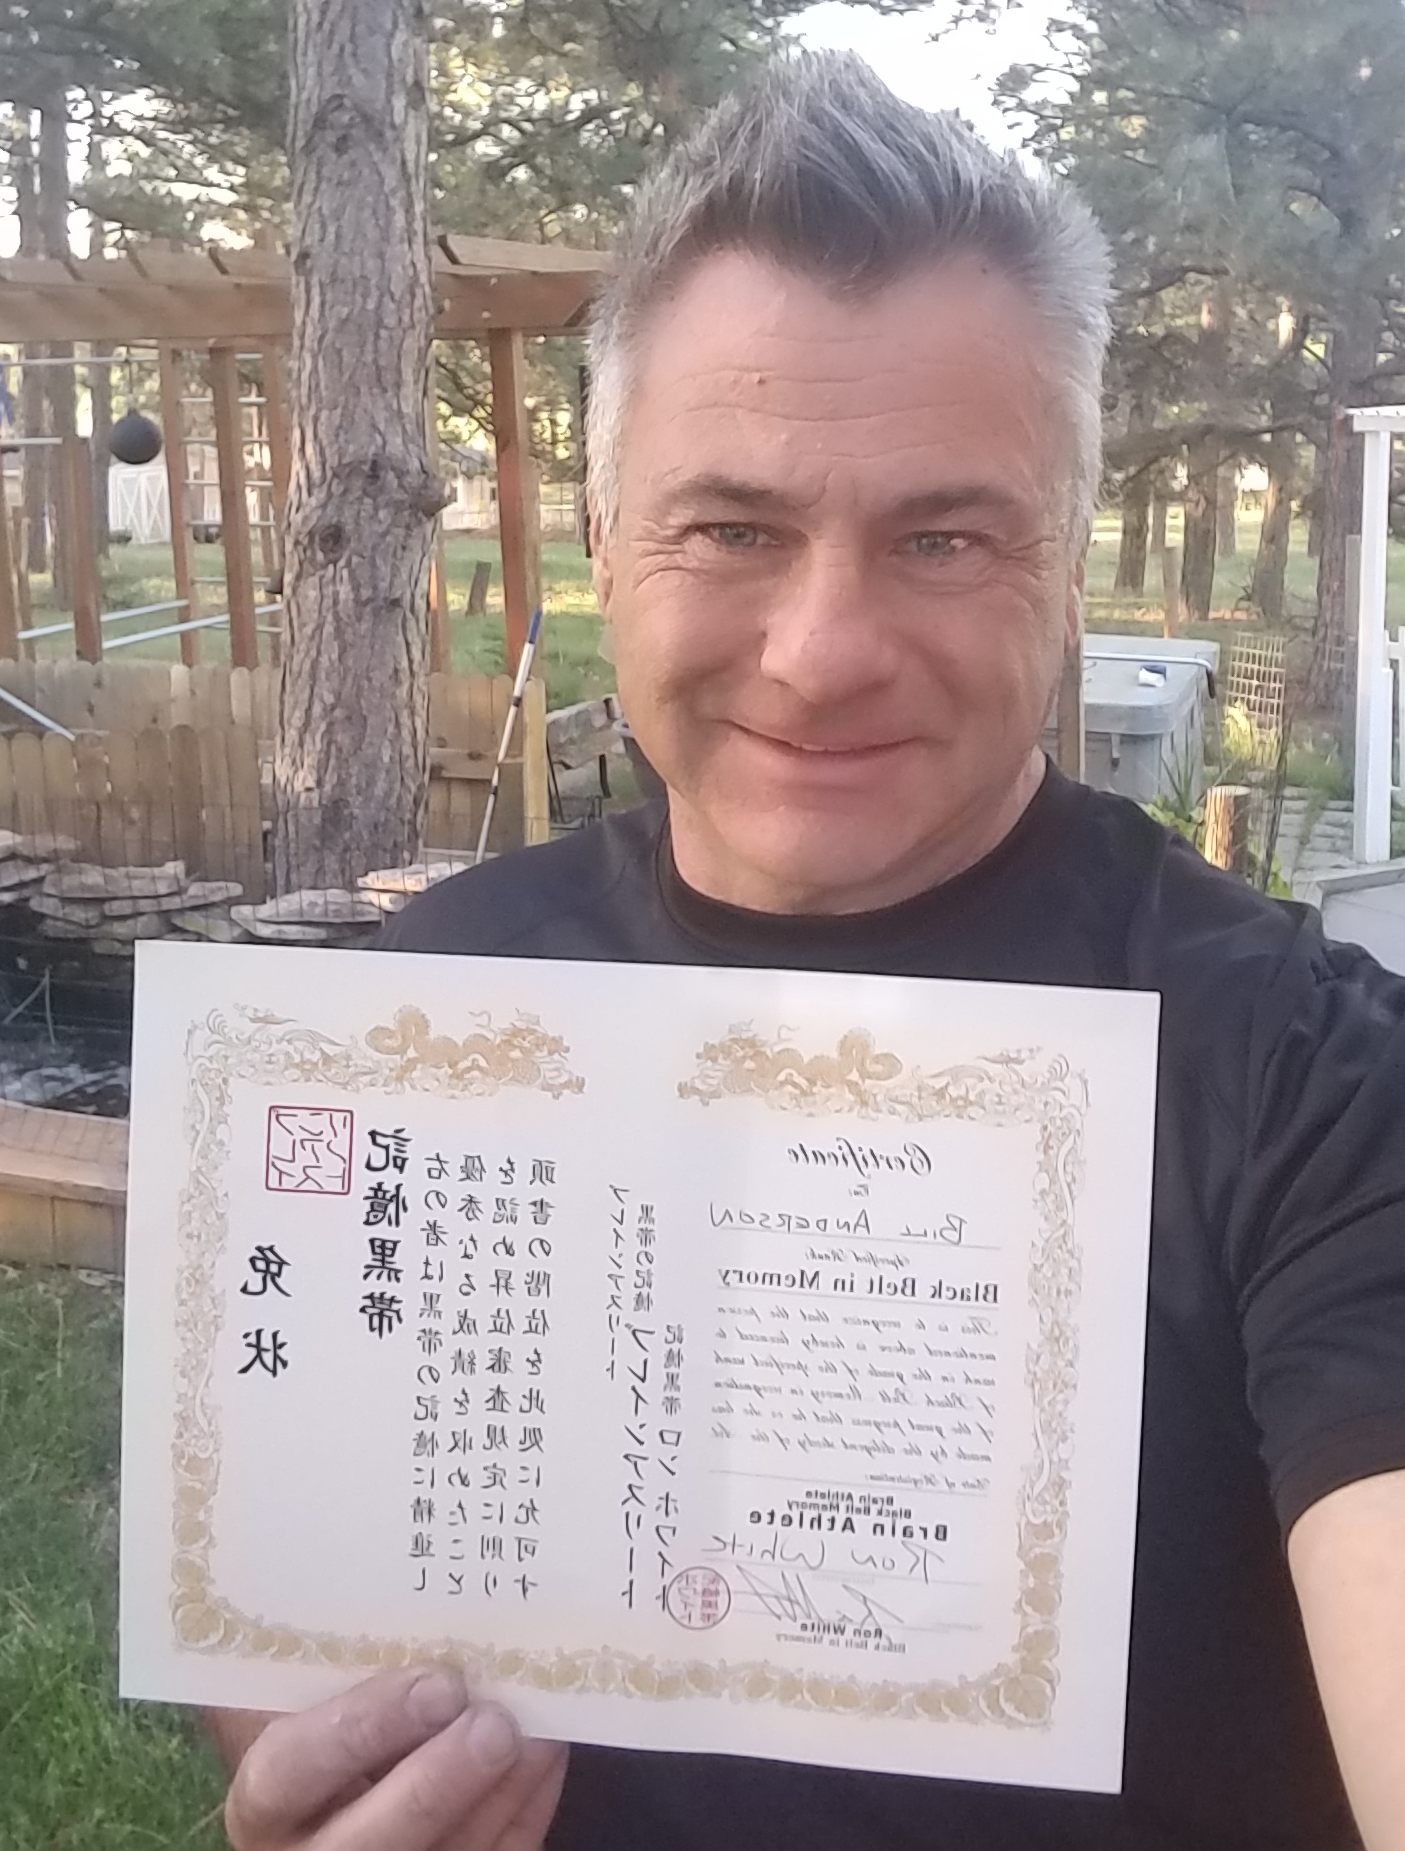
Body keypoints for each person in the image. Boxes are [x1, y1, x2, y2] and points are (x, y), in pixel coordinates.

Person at [209, 52, 1405, 1851]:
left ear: (1067, 564)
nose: (822, 650)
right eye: (732, 528)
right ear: (607, 543)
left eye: (942, 535)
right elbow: (289, 1654)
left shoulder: (1315, 1089)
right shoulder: (423, 1030)